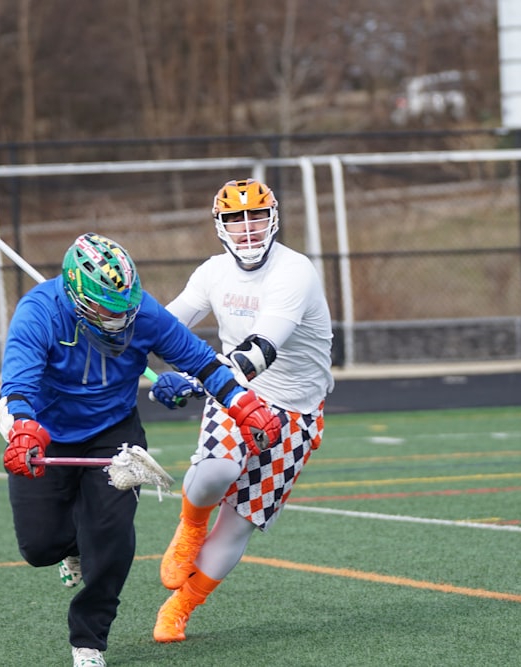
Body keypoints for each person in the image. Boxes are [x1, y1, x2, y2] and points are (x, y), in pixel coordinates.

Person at [0, 232, 281, 667]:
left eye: (125, 307)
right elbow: (19, 385)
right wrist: (22, 428)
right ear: (76, 296)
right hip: (43, 429)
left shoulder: (141, 311)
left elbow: (201, 361)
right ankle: (68, 548)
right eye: (107, 309)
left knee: (110, 539)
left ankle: (88, 642)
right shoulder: (37, 312)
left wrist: (244, 406)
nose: (119, 319)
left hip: (115, 432)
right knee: (39, 546)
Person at [149, 178, 334, 643]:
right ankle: (190, 528)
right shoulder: (212, 273)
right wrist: (115, 329)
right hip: (236, 396)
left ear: (272, 219)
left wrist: (191, 380)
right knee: (216, 470)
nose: (247, 227)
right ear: (220, 225)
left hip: (296, 412)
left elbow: (262, 348)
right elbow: (162, 326)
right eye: (235, 218)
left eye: (255, 216)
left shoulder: (295, 272)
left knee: (238, 523)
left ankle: (180, 607)